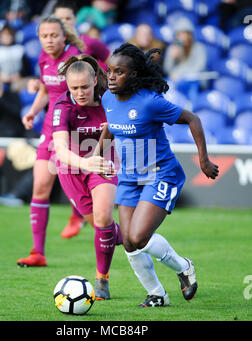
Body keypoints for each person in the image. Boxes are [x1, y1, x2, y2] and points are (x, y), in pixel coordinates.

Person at [95, 43, 219, 307]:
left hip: (160, 175)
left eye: (119, 72)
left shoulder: (150, 102)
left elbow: (193, 119)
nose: (112, 77)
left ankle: (184, 266)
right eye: (109, 71)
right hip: (129, 177)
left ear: (134, 75)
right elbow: (110, 127)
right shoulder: (107, 98)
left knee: (139, 236)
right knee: (129, 243)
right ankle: (158, 295)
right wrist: (98, 154)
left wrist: (204, 160)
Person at [16, 15, 85, 267]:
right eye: (44, 36)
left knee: (78, 192)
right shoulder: (43, 59)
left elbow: (86, 93)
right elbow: (46, 90)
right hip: (49, 128)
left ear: (64, 36)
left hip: (71, 130)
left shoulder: (75, 59)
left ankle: (110, 233)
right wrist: (33, 112)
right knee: (40, 187)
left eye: (54, 35)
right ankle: (38, 253)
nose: (49, 40)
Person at [52, 54, 121, 299]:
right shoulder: (63, 107)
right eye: (74, 88)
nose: (80, 92)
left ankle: (102, 279)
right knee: (116, 236)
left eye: (84, 87)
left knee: (104, 219)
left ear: (94, 82)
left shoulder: (110, 100)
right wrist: (85, 163)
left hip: (103, 163)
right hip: (72, 171)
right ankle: (143, 240)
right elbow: (60, 150)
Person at [163, 17, 207, 101]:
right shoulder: (173, 48)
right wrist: (172, 58)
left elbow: (200, 67)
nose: (184, 37)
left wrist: (180, 74)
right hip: (176, 81)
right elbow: (167, 70)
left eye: (186, 33)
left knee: (191, 86)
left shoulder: (198, 47)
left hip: (194, 81)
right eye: (180, 34)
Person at [0, 24, 30, 91]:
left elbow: (26, 67)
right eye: (4, 35)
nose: (7, 37)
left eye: (9, 34)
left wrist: (19, 75)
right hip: (2, 80)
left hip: (18, 79)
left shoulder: (20, 49)